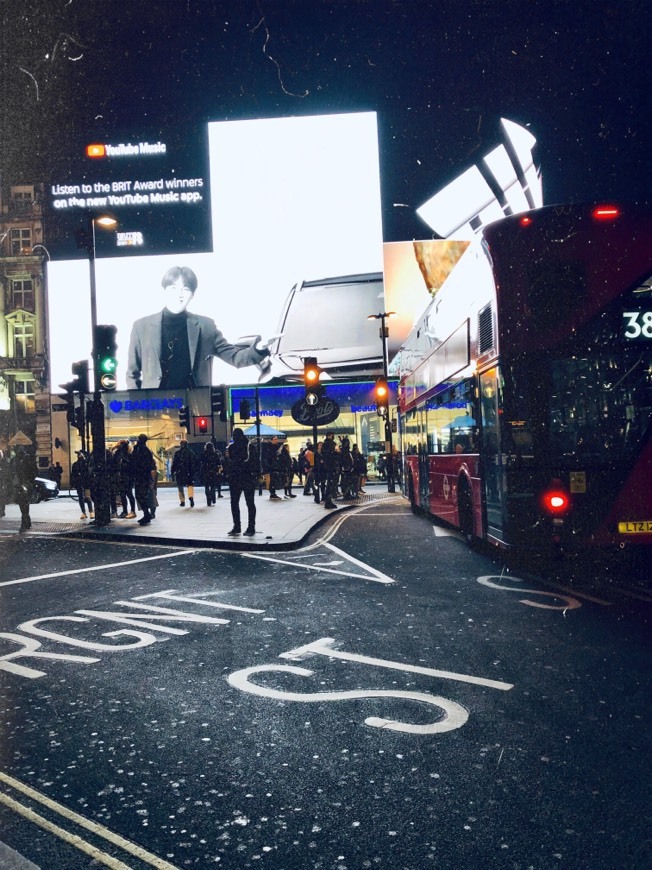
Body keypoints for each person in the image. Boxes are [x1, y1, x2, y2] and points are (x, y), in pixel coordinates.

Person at [126, 265, 276, 390]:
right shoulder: (141, 327)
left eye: (185, 289)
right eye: (173, 287)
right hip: (155, 407)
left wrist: (259, 348)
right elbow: (132, 374)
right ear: (164, 290)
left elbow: (235, 358)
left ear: (193, 295)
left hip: (196, 406)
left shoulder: (206, 326)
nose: (179, 294)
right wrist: (138, 404)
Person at [226, 427, 258, 536]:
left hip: (236, 478)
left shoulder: (231, 448)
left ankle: (237, 526)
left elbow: (230, 463)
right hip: (248, 477)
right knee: (250, 503)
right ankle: (251, 526)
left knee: (234, 503)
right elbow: (255, 462)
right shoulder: (250, 447)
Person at [131, 434, 156, 525]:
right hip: (144, 475)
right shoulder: (146, 450)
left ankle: (146, 513)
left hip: (140, 476)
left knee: (140, 495)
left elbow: (135, 461)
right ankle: (147, 513)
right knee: (142, 495)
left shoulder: (139, 449)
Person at [10, 445, 37, 532]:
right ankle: (26, 521)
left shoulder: (28, 459)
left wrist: (29, 481)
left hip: (26, 484)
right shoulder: (14, 460)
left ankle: (25, 522)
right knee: (22, 504)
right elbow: (12, 473)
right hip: (18, 485)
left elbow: (34, 472)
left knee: (24, 503)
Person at [113, 439, 137, 518]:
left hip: (125, 476)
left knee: (126, 494)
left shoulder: (123, 454)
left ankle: (128, 511)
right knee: (126, 494)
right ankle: (129, 511)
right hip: (126, 476)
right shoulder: (127, 454)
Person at [171, 439, 195, 507]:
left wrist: (173, 473)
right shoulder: (190, 452)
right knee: (190, 486)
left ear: (180, 445)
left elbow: (174, 464)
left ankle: (182, 501)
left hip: (180, 472)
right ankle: (191, 497)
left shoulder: (177, 453)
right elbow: (194, 463)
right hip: (189, 472)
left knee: (180, 486)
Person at [70, 450, 94, 520]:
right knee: (81, 498)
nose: (79, 455)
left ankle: (91, 511)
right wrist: (73, 483)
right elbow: (73, 475)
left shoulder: (85, 463)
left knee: (87, 497)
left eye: (80, 454)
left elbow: (88, 471)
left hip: (86, 483)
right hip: (79, 483)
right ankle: (83, 512)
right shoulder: (75, 464)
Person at [321, 431, 339, 509]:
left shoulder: (324, 444)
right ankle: (328, 501)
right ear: (331, 435)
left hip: (327, 467)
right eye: (333, 435)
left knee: (329, 484)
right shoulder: (331, 444)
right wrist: (336, 452)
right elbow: (333, 454)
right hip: (331, 466)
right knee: (330, 484)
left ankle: (328, 500)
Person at [200, 441, 222, 506]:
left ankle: (208, 499)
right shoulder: (215, 454)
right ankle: (213, 497)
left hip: (205, 472)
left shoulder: (203, 454)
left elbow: (199, 462)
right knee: (213, 486)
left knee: (206, 487)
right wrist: (218, 470)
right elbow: (219, 463)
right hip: (213, 472)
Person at [0, 449, 10, 517]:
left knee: (2, 498)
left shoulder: (4, 462)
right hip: (2, 483)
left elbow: (6, 474)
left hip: (2, 483)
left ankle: (2, 511)